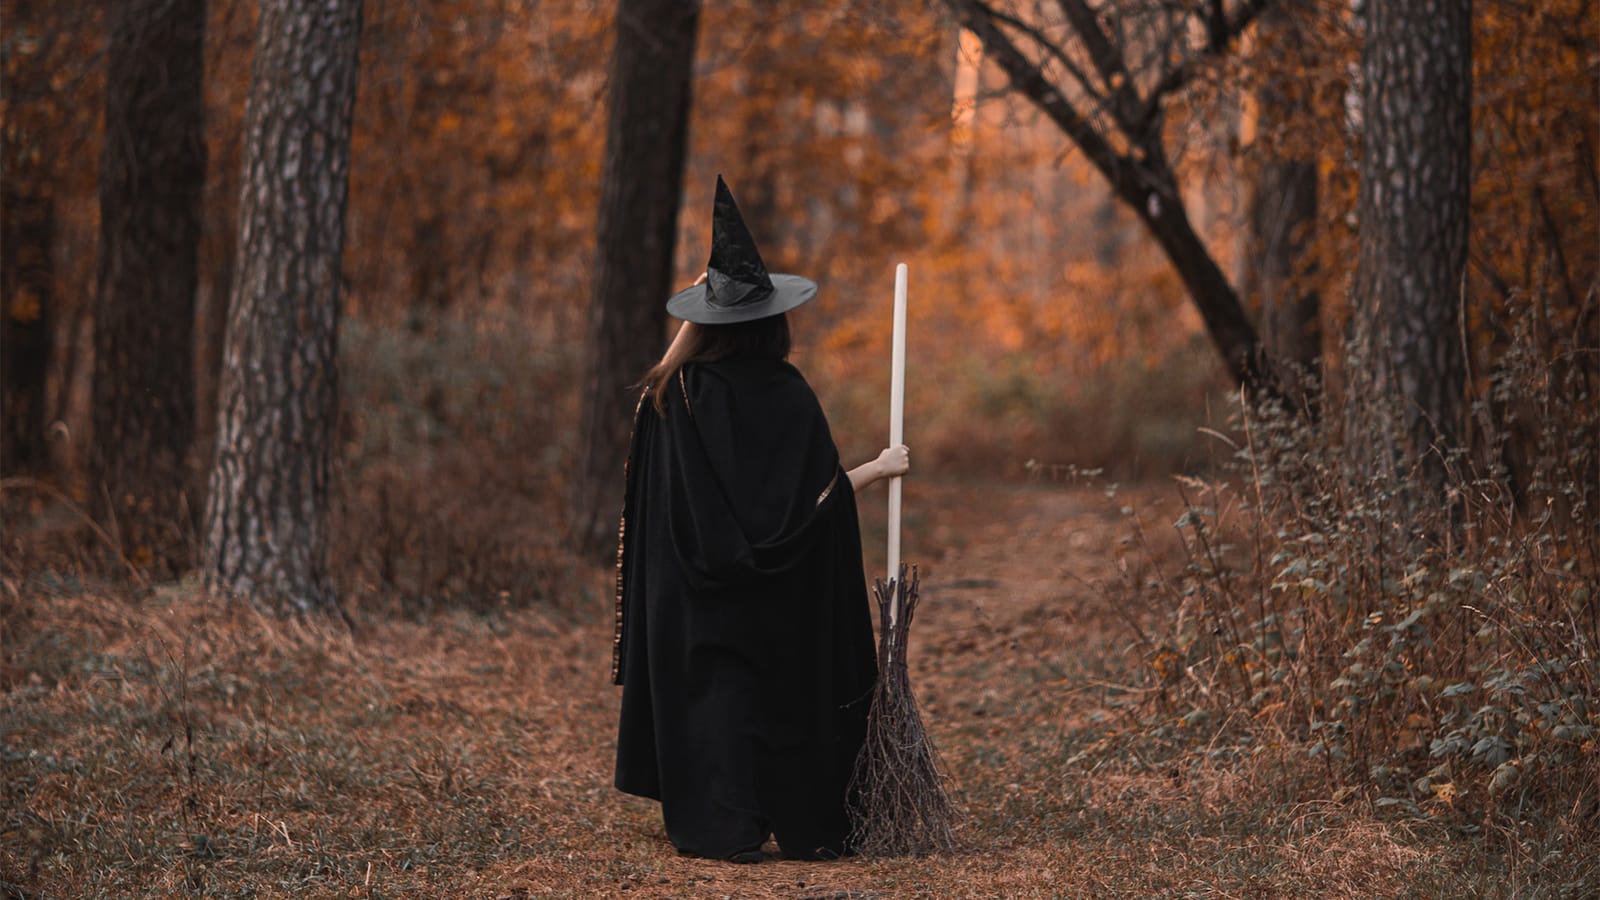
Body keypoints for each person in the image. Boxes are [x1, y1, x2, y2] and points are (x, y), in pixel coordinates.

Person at [611, 176, 909, 863]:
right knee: (770, 678)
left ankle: (724, 823)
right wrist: (880, 467)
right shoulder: (787, 395)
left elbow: (664, 527)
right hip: (777, 611)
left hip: (691, 604)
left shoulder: (669, 395)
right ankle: (797, 816)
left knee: (718, 691)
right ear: (774, 323)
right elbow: (815, 511)